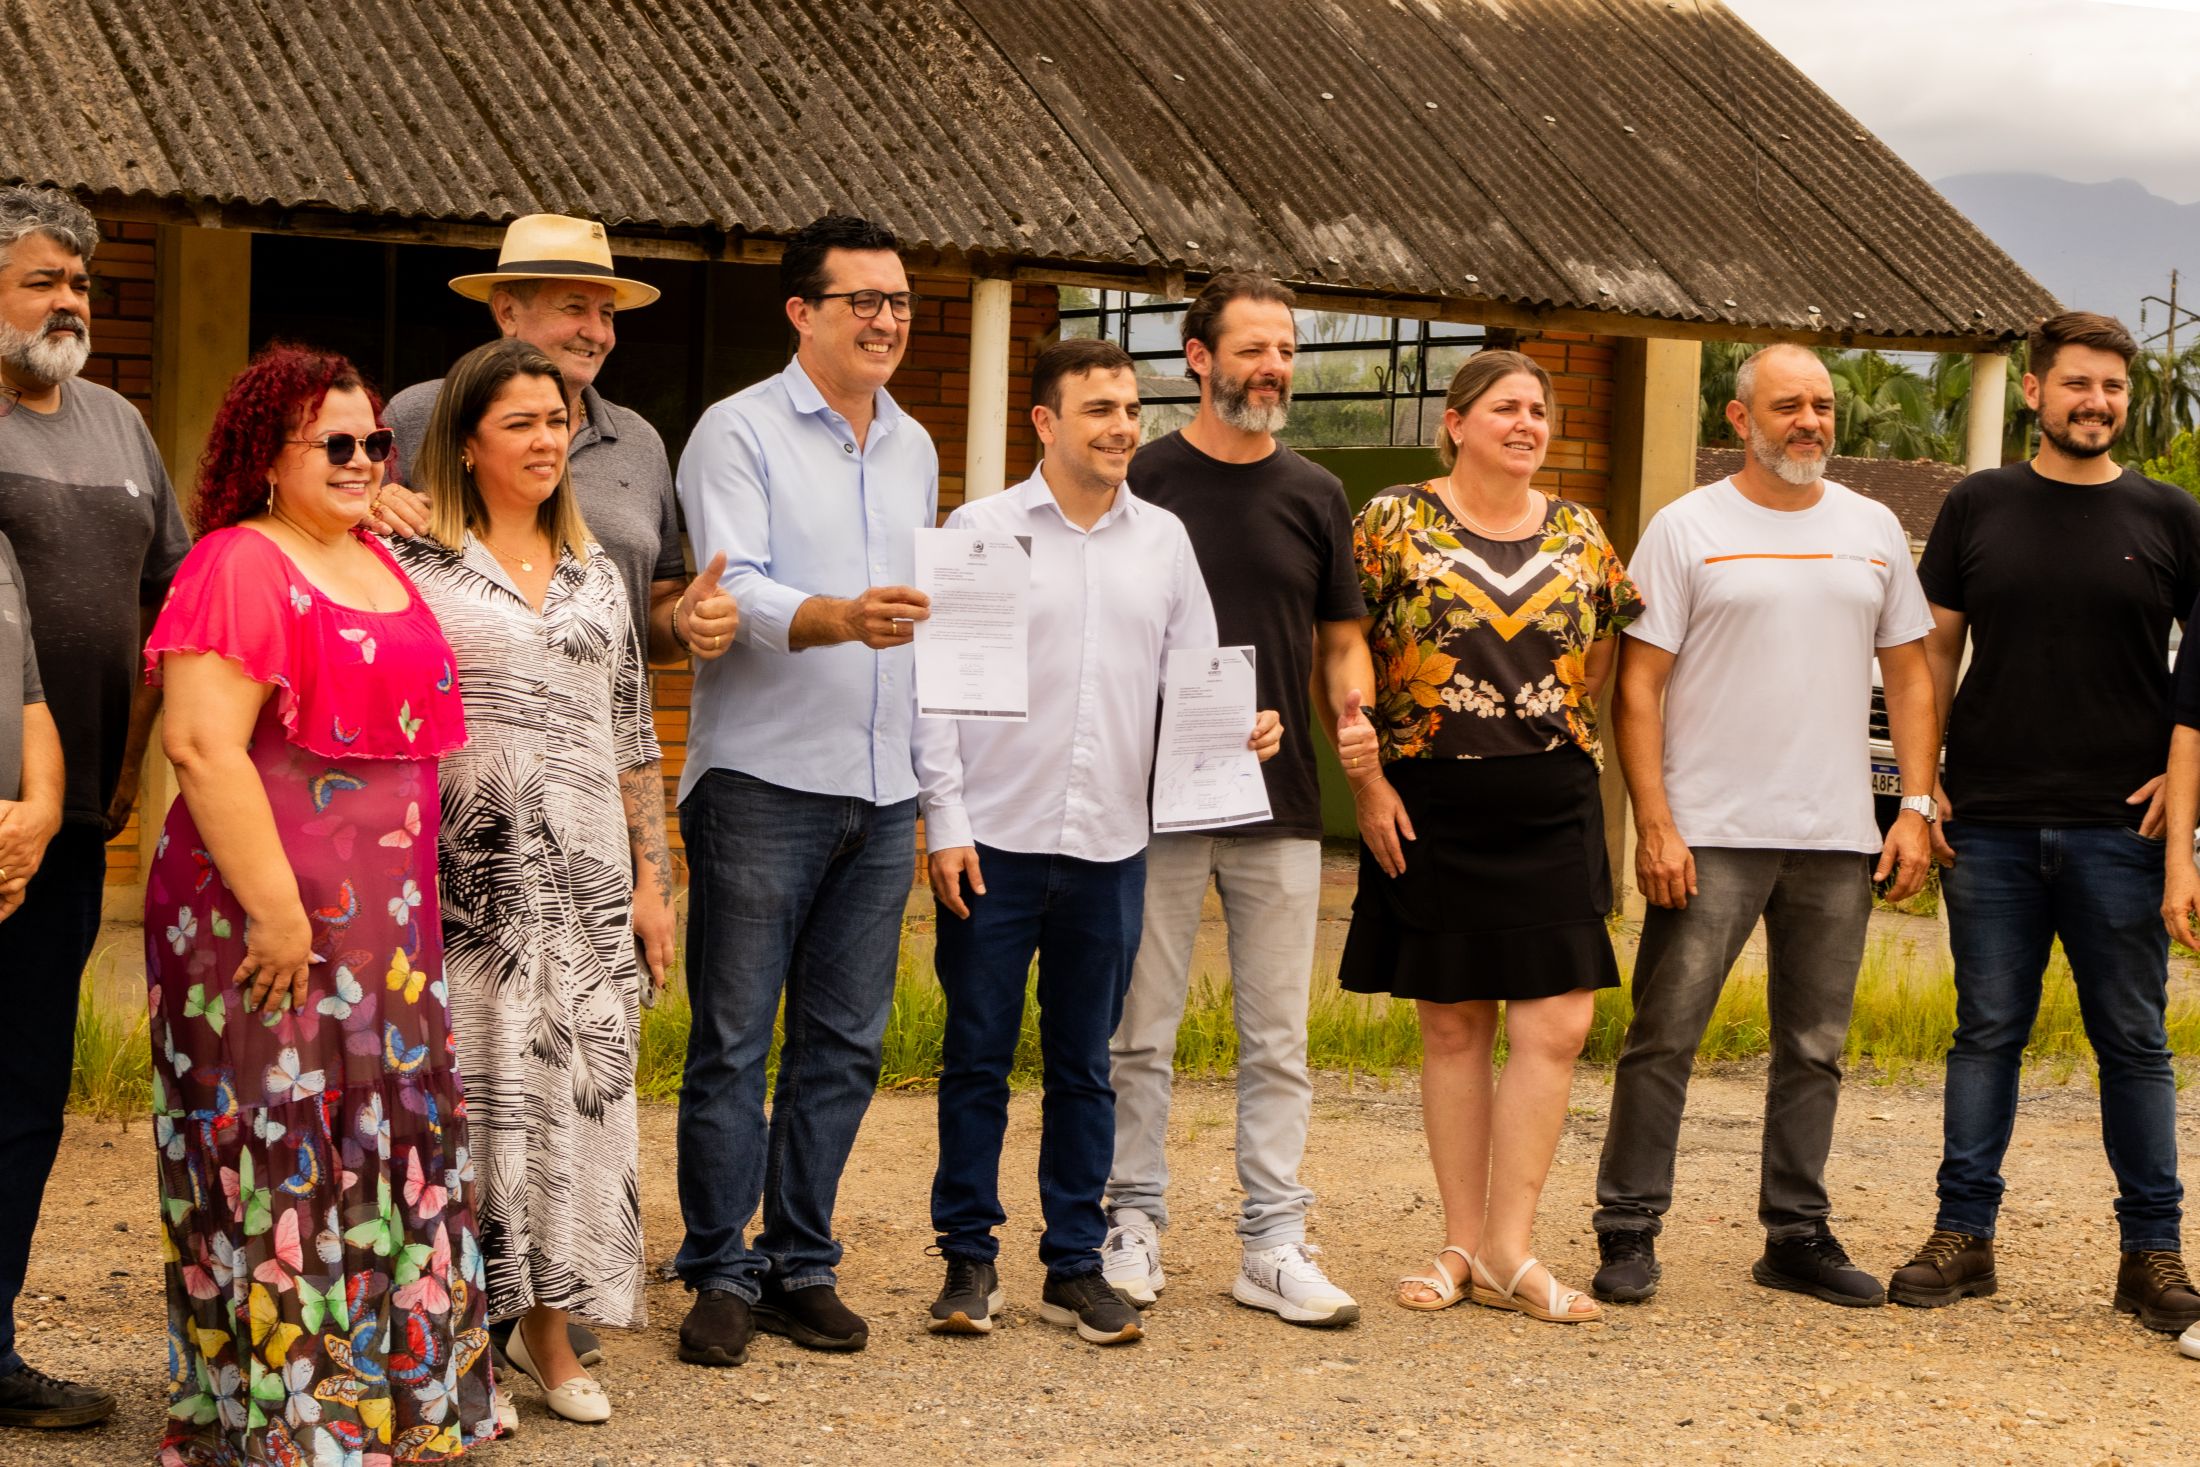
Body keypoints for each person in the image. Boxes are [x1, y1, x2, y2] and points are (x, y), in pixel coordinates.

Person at [145, 344, 495, 1461]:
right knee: (284, 1150)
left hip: (387, 935)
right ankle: (300, 1418)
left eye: (374, 441)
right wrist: (278, 912)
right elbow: (202, 743)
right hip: (265, 923)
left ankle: (390, 1403)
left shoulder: (376, 556)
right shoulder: (237, 562)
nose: (361, 460)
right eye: (333, 443)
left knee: (386, 1143)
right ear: (266, 456)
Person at [917, 339, 1280, 1345]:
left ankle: (1074, 1263)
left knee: (1085, 1064)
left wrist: (1242, 726)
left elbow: (1196, 679)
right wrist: (945, 822)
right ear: (1045, 421)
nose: (1123, 427)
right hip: (992, 842)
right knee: (977, 1058)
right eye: (1099, 410)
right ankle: (967, 1261)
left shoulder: (1163, 541)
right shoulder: (980, 531)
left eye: (1130, 409)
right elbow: (937, 693)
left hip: (1111, 845)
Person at [1593, 343, 1938, 1310]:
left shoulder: (1873, 527)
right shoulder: (1686, 525)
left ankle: (1796, 1234)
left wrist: (1914, 807)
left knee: (1815, 1046)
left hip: (1836, 832)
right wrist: (1655, 822)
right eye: (1789, 405)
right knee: (1665, 1036)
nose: (1811, 421)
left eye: (1822, 404)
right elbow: (1638, 685)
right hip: (1710, 830)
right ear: (1739, 419)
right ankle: (1628, 1225)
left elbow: (1911, 674)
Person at [670, 214, 936, 1366]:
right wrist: (839, 618)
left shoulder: (915, 446)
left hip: (881, 788)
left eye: (899, 302)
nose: (886, 321)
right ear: (801, 313)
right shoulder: (736, 431)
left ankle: (799, 1264)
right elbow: (738, 592)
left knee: (844, 1043)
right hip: (760, 783)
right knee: (734, 1043)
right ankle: (718, 1270)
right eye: (861, 300)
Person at [394, 337, 673, 1423]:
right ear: (465, 443)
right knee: (473, 1108)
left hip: (590, 889)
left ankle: (549, 1334)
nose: (548, 440)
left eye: (556, 421)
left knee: (576, 1107)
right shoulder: (412, 564)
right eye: (520, 422)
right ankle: (461, 1341)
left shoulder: (594, 569)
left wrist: (654, 879)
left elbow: (633, 730)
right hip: (467, 886)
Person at [1907, 311, 2200, 1337]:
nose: (2096, 402)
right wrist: (1922, 783)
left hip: (2122, 828)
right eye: (2077, 384)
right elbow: (1932, 653)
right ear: (2033, 391)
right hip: (1988, 821)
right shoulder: (1977, 504)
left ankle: (2151, 1255)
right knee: (1985, 1033)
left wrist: (2183, 791)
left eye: (2112, 387)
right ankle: (1963, 1237)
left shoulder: (2171, 515)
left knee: (2134, 1043)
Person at [1340, 350, 1639, 1324]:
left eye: (1538, 411)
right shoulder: (1391, 521)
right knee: (1454, 1024)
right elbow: (1342, 643)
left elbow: (1600, 650)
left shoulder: (1581, 531)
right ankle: (1462, 1245)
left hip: (1552, 796)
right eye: (1506, 407)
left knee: (1559, 1023)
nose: (1527, 424)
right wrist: (1367, 778)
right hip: (1430, 797)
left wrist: (1538, 721)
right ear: (1455, 422)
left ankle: (1512, 1249)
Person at [1101, 273, 1375, 1329]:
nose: (1273, 369)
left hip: (1280, 800)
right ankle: (1132, 1222)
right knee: (1141, 1033)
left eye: (1286, 351)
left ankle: (1271, 1243)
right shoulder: (1142, 478)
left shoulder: (1316, 492)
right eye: (1253, 349)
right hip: (1151, 802)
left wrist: (1351, 713)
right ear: (1197, 357)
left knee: (1277, 1039)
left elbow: (1340, 641)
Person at [0, 185, 191, 1432]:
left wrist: (130, 766)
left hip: (69, 829)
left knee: (25, 1087)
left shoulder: (119, 423)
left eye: (81, 282)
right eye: (42, 281)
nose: (71, 301)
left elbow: (173, 597)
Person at [385, 213, 736, 668]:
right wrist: (371, 505)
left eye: (606, 314)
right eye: (574, 308)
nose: (598, 333)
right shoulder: (417, 415)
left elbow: (653, 608)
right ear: (507, 312)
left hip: (599, 712)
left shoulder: (639, 441)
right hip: (459, 709)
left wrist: (683, 623)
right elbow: (340, 550)